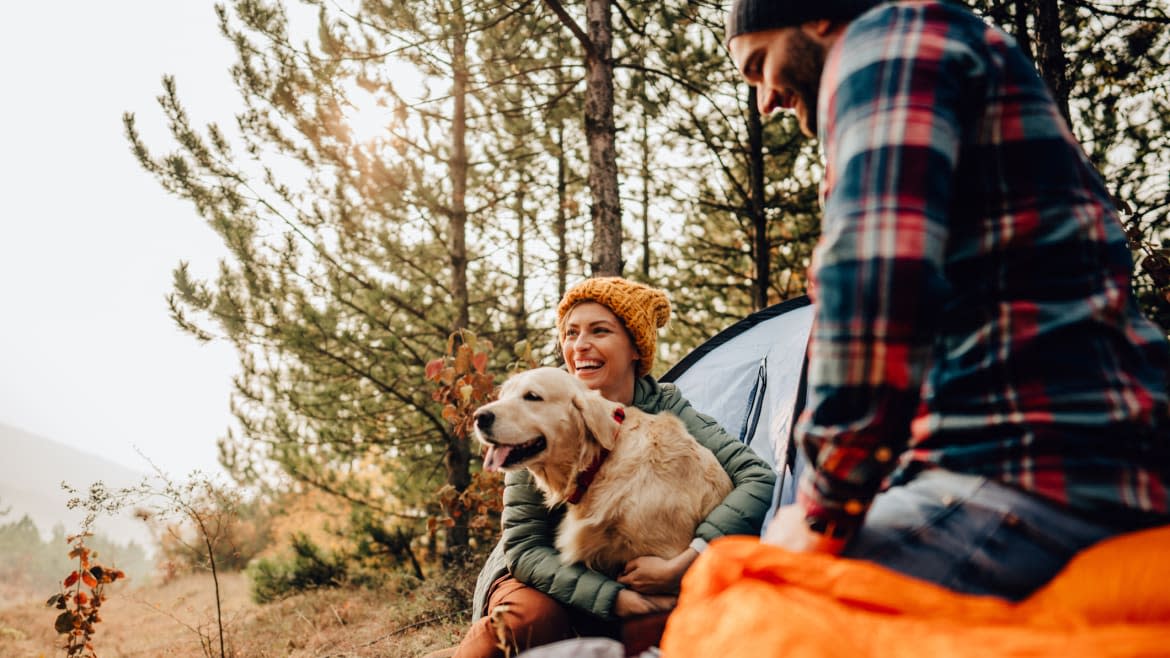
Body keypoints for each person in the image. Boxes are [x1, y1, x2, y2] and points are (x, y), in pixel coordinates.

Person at [726, 0, 1170, 599]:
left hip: (1030, 473)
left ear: (820, 16)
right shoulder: (943, 48)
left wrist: (820, 511)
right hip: (1082, 459)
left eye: (759, 65)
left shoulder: (885, 42)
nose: (765, 100)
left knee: (754, 598)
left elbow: (875, 281)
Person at [449, 277, 776, 658]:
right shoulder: (539, 411)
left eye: (599, 331)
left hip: (644, 576)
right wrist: (612, 598)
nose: (580, 345)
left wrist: (689, 560)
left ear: (635, 347)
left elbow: (759, 479)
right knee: (528, 620)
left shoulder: (670, 411)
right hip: (548, 578)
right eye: (571, 333)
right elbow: (525, 546)